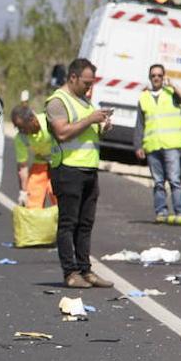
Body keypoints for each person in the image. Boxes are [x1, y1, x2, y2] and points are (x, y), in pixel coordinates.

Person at [46, 58, 114, 289]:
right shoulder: (57, 101)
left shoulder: (85, 102)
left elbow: (88, 133)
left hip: (88, 169)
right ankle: (70, 272)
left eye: (92, 83)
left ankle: (86, 270)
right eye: (86, 83)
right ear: (73, 77)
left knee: (86, 223)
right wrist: (91, 119)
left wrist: (102, 127)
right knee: (69, 223)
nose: (89, 87)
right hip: (67, 170)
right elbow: (62, 133)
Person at [134, 64, 181, 224]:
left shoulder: (171, 93)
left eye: (159, 75)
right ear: (149, 77)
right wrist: (138, 145)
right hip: (153, 145)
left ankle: (180, 212)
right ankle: (161, 212)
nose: (156, 78)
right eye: (153, 75)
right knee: (158, 182)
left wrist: (172, 84)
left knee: (174, 180)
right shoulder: (144, 97)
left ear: (163, 77)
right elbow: (140, 124)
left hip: (170, 144)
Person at [11, 103, 56, 208]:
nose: (21, 131)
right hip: (41, 163)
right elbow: (23, 166)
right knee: (32, 197)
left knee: (57, 193)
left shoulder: (48, 122)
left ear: (32, 119)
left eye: (23, 127)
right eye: (18, 128)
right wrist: (23, 191)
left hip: (59, 163)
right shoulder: (21, 138)